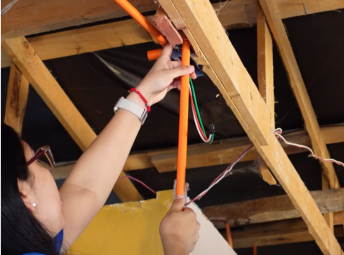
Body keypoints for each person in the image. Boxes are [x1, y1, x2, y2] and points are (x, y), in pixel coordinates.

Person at [2, 44, 200, 255]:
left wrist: (144, 97)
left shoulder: (28, 240)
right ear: (24, 195)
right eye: (38, 159)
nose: (48, 170)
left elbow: (85, 189)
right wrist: (176, 242)